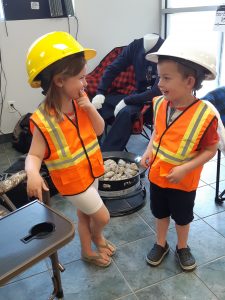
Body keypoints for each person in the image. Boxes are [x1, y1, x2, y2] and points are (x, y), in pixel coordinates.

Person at [25, 31, 116, 267]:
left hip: (91, 172)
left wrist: (90, 109)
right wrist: (33, 174)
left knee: (85, 215)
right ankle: (97, 236)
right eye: (81, 77)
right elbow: (34, 155)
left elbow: (98, 130)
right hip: (73, 183)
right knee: (102, 216)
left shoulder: (80, 103)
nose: (86, 83)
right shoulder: (44, 119)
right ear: (60, 80)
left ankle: (87, 250)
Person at [140, 35, 219, 271]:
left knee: (183, 217)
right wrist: (147, 151)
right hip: (158, 176)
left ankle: (182, 246)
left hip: (184, 180)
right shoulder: (160, 103)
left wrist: (184, 168)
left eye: (166, 78)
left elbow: (211, 150)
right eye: (158, 77)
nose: (159, 83)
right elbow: (157, 134)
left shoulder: (205, 115)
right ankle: (160, 243)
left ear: (189, 81)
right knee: (160, 212)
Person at [92, 34, 164, 151]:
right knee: (98, 105)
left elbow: (157, 91)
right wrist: (100, 92)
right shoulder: (136, 46)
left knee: (126, 112)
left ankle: (108, 156)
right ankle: (92, 147)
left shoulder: (164, 49)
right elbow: (113, 68)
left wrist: (126, 100)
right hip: (137, 95)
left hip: (156, 101)